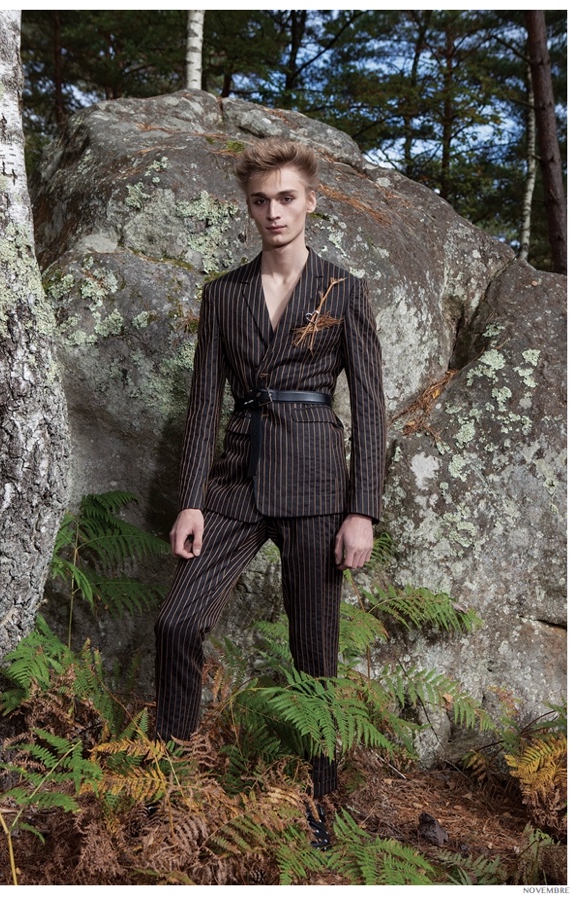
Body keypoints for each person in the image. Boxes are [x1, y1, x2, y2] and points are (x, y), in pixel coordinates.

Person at [155, 137, 386, 847]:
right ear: (249, 208)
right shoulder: (223, 294)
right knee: (177, 623)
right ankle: (168, 785)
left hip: (317, 485)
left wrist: (362, 511)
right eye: (261, 201)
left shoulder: (344, 291)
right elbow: (203, 404)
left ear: (311, 200)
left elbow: (371, 409)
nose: (274, 212)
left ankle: (320, 807)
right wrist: (191, 499)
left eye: (286, 197)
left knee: (314, 652)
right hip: (235, 479)